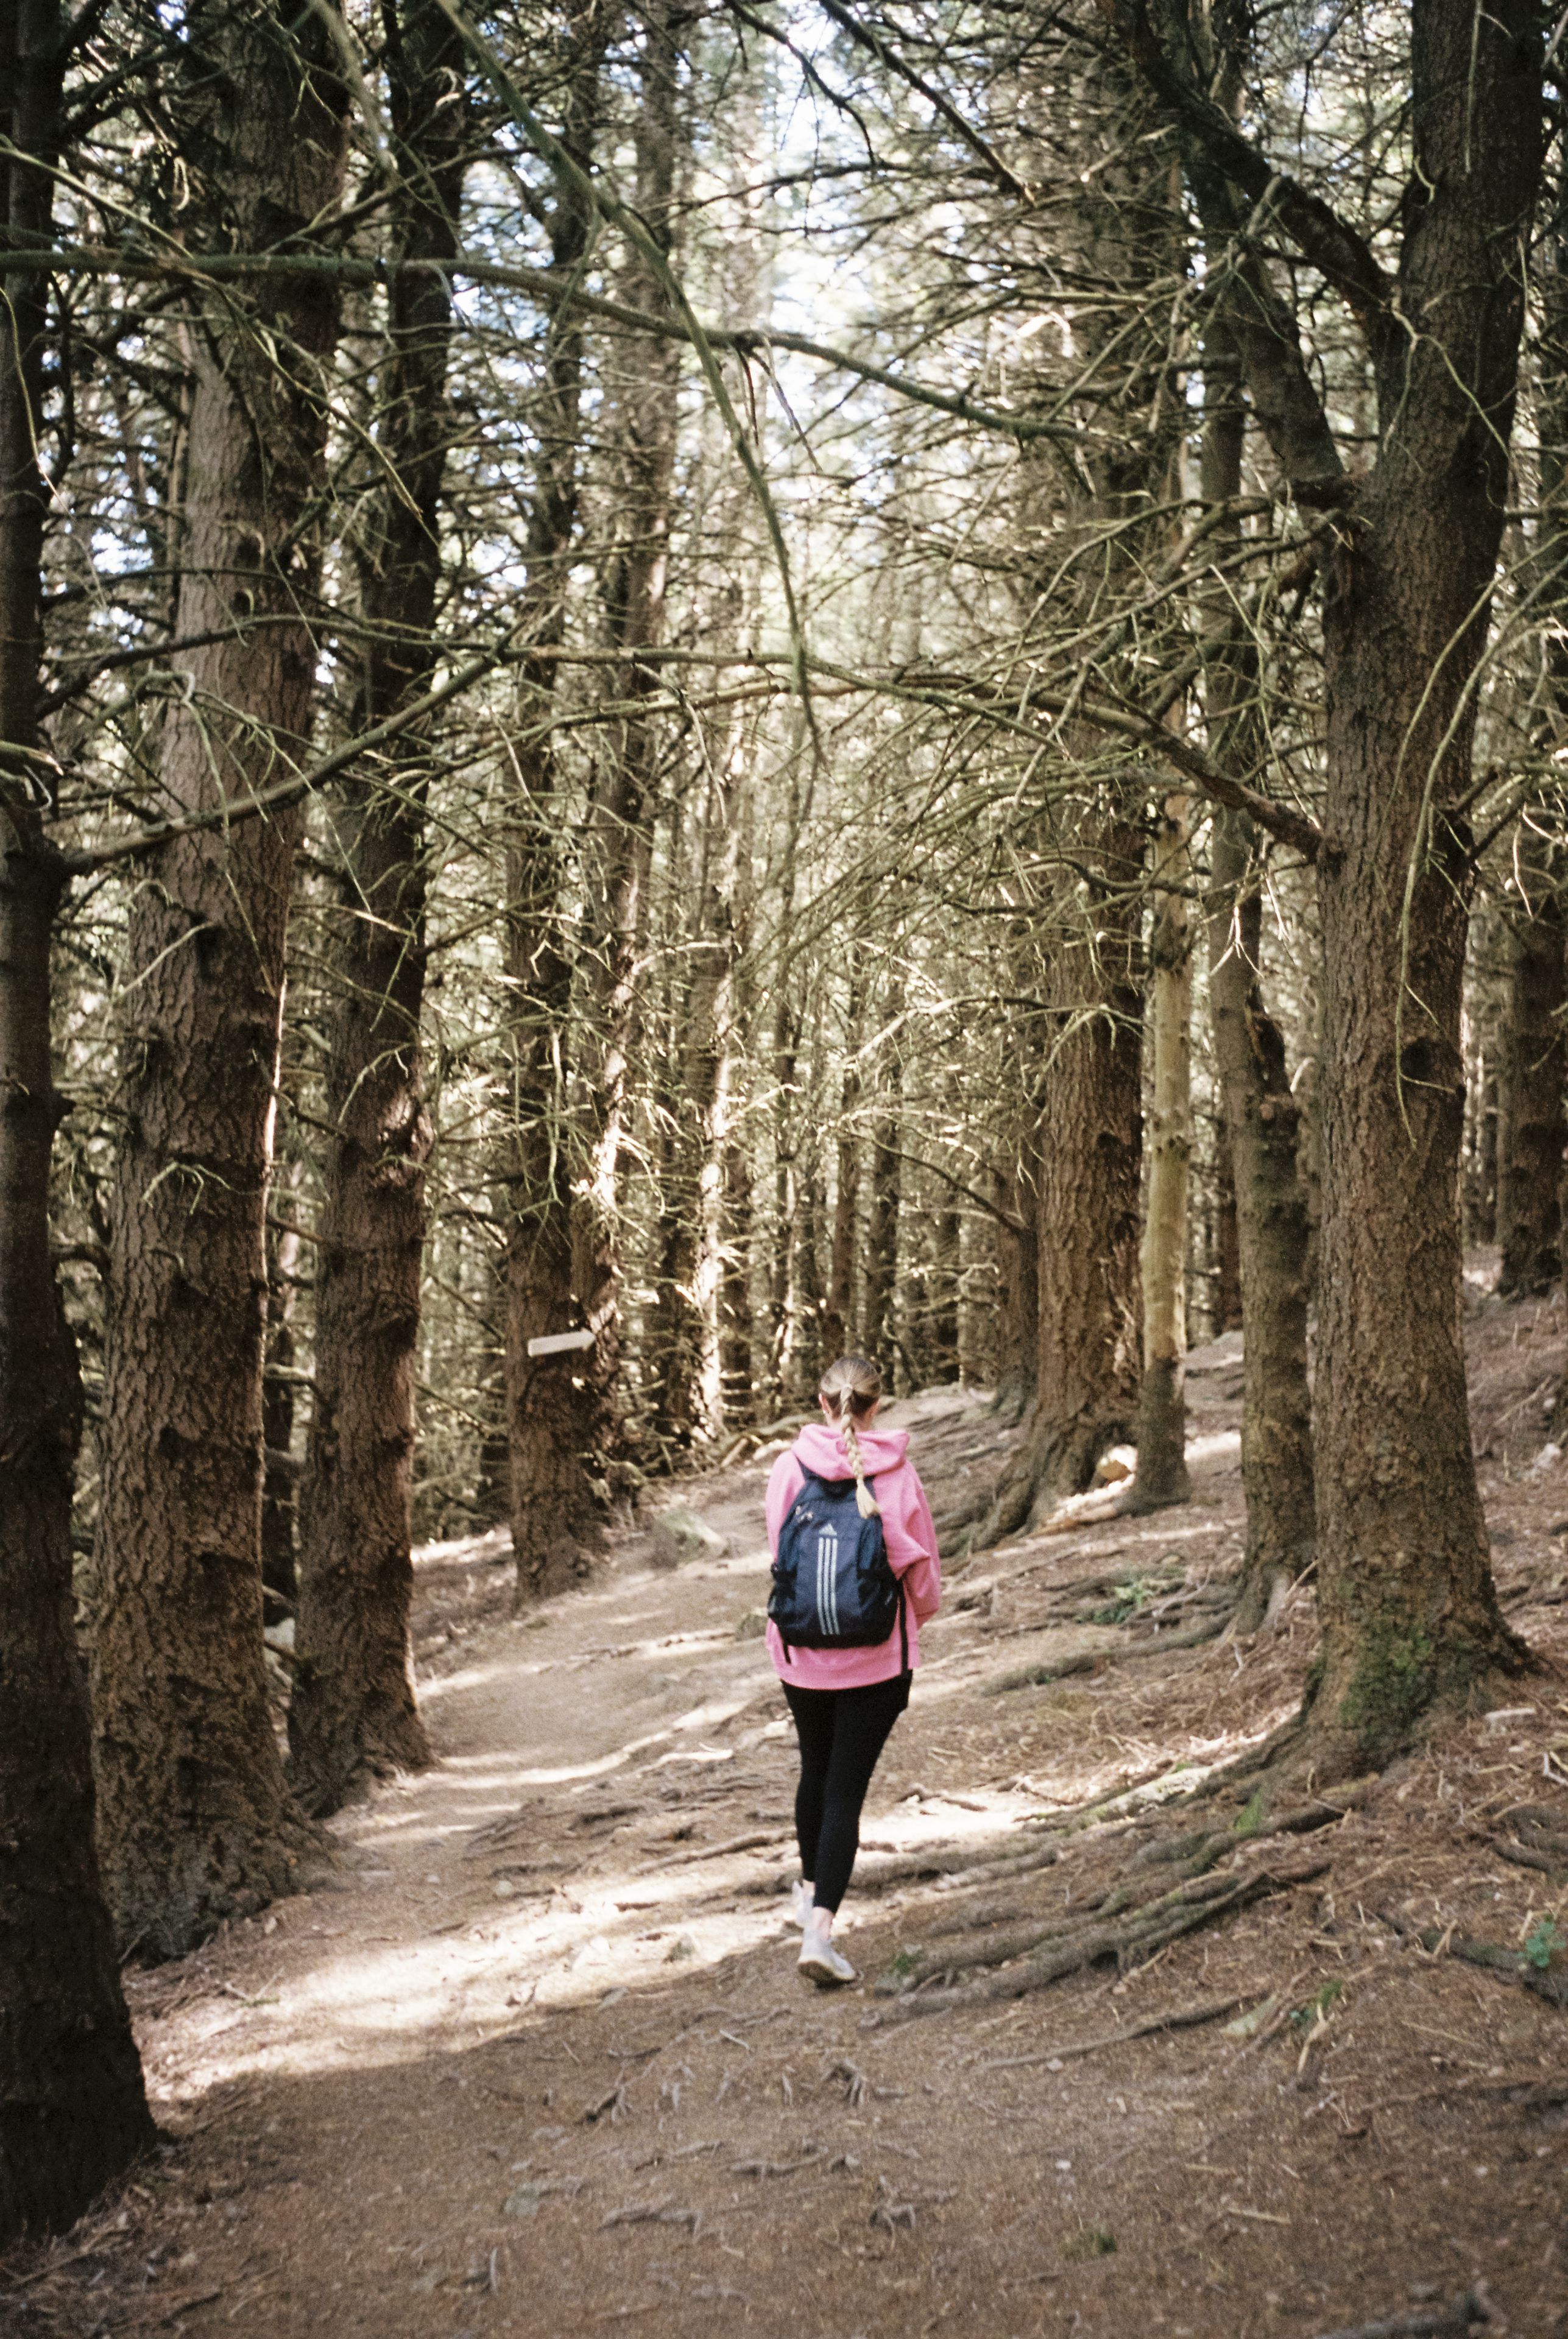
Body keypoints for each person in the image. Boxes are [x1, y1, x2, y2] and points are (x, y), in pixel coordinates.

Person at [764, 1354, 941, 1985]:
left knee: (815, 1770)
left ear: (823, 1403)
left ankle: (810, 1894)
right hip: (875, 1660)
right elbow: (922, 1576)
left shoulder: (788, 1467)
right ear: (876, 1406)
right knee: (845, 1790)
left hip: (802, 1656)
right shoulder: (897, 1474)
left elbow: (780, 1554)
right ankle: (819, 1933)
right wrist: (915, 1617)